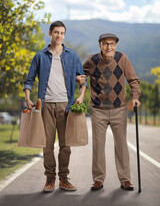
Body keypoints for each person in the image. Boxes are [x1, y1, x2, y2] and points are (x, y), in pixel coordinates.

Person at [24, 21, 87, 192]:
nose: (59, 36)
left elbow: (83, 79)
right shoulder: (39, 56)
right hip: (46, 106)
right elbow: (29, 80)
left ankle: (64, 178)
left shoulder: (72, 56)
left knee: (66, 145)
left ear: (64, 35)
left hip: (66, 106)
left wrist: (81, 95)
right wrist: (28, 98)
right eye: (56, 32)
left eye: (62, 33)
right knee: (48, 145)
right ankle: (50, 178)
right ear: (50, 33)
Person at [77, 33, 141, 191]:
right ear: (100, 45)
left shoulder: (122, 58)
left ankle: (125, 180)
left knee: (121, 146)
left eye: (112, 44)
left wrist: (135, 97)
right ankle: (98, 180)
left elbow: (133, 80)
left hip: (119, 109)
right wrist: (78, 79)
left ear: (116, 46)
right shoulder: (92, 60)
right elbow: (79, 74)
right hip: (98, 110)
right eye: (105, 44)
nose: (109, 47)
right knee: (98, 146)